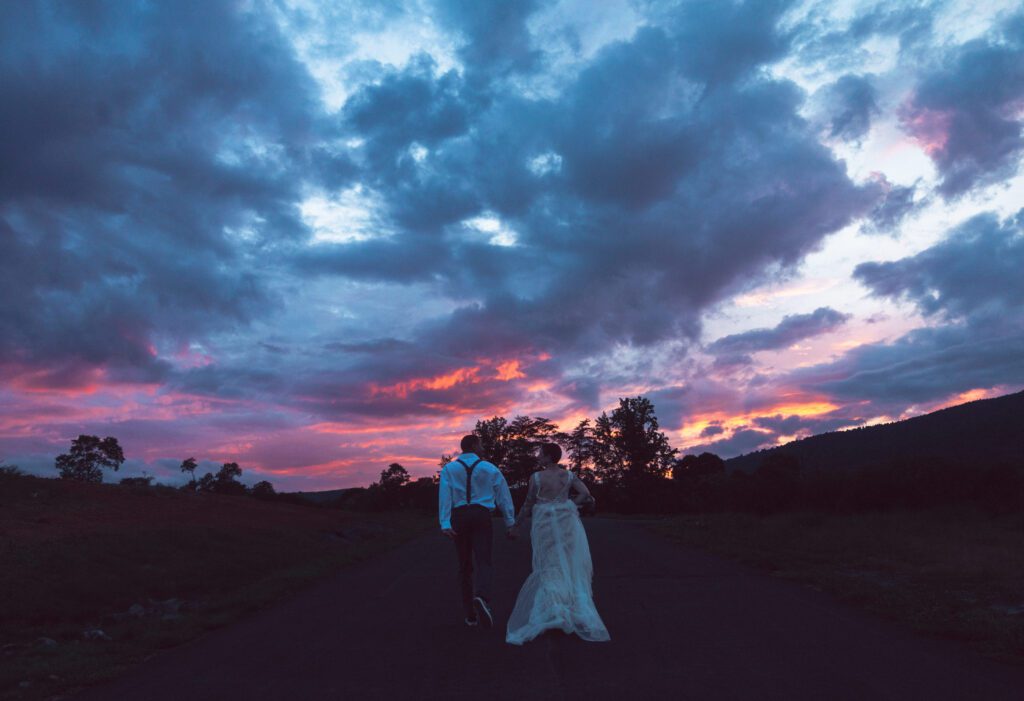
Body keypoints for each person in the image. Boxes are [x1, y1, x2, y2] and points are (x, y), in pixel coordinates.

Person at [505, 443, 610, 645]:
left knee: (548, 564)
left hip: (544, 524)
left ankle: (553, 609)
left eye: (541, 454)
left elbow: (528, 504)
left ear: (549, 457)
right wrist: (569, 504)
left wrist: (516, 526)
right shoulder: (568, 476)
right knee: (567, 563)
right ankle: (572, 608)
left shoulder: (536, 478)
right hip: (565, 523)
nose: (538, 457)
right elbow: (585, 494)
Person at [438, 434, 516, 629]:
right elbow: (503, 496)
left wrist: (445, 523)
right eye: (480, 444)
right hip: (481, 515)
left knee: (464, 566)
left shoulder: (449, 468)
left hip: (459, 516)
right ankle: (482, 596)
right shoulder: (489, 468)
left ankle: (470, 616)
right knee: (484, 561)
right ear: (473, 445)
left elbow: (445, 495)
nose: (482, 447)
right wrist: (510, 522)